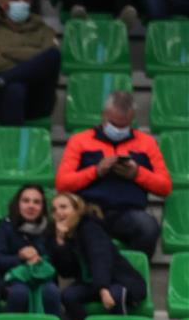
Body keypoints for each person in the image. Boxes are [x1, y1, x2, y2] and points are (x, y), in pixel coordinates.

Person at [56, 90, 172, 258]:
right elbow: (62, 184)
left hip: (129, 212)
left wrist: (137, 173)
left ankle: (134, 270)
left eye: (124, 125)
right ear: (104, 115)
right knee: (78, 227)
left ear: (132, 119)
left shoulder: (147, 143)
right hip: (91, 209)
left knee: (148, 227)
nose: (118, 129)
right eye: (114, 124)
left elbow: (165, 187)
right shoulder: (80, 140)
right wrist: (96, 171)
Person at [48, 192, 148, 320]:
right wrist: (60, 242)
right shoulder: (64, 235)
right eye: (54, 210)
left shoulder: (90, 227)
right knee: (69, 296)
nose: (58, 212)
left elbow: (100, 258)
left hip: (118, 280)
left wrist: (103, 289)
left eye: (63, 207)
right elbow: (67, 272)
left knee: (115, 295)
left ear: (77, 210)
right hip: (91, 283)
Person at [0, 184, 62, 316]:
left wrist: (40, 257)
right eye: (26, 201)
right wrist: (20, 258)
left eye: (36, 202)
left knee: (51, 292)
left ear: (43, 207)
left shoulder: (51, 228)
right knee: (20, 293)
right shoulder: (5, 227)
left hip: (43, 279)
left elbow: (59, 263)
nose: (31, 206)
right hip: (13, 279)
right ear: (18, 204)